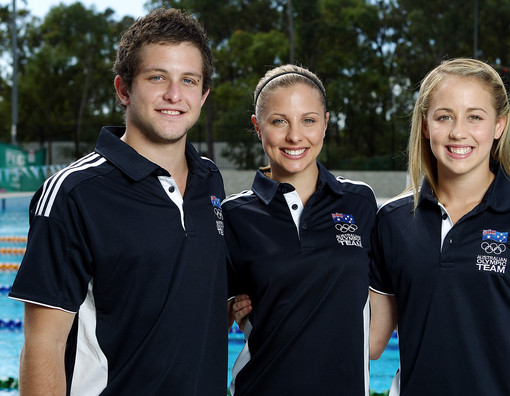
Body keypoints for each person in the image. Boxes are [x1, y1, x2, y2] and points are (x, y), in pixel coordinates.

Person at [9, 8, 228, 395]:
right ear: (123, 89)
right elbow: (44, 345)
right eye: (157, 77)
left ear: (203, 94)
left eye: (188, 80)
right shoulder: (75, 193)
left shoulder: (209, 179)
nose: (174, 95)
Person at [369, 58, 510, 396]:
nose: (458, 132)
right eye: (444, 117)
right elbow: (371, 342)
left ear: (499, 125)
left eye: (475, 117)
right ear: (425, 125)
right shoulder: (392, 219)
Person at [223, 64, 377, 395]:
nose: (295, 136)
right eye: (279, 121)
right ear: (258, 126)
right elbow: (204, 314)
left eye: (308, 120)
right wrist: (229, 307)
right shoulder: (234, 215)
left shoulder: (360, 202)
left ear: (325, 123)